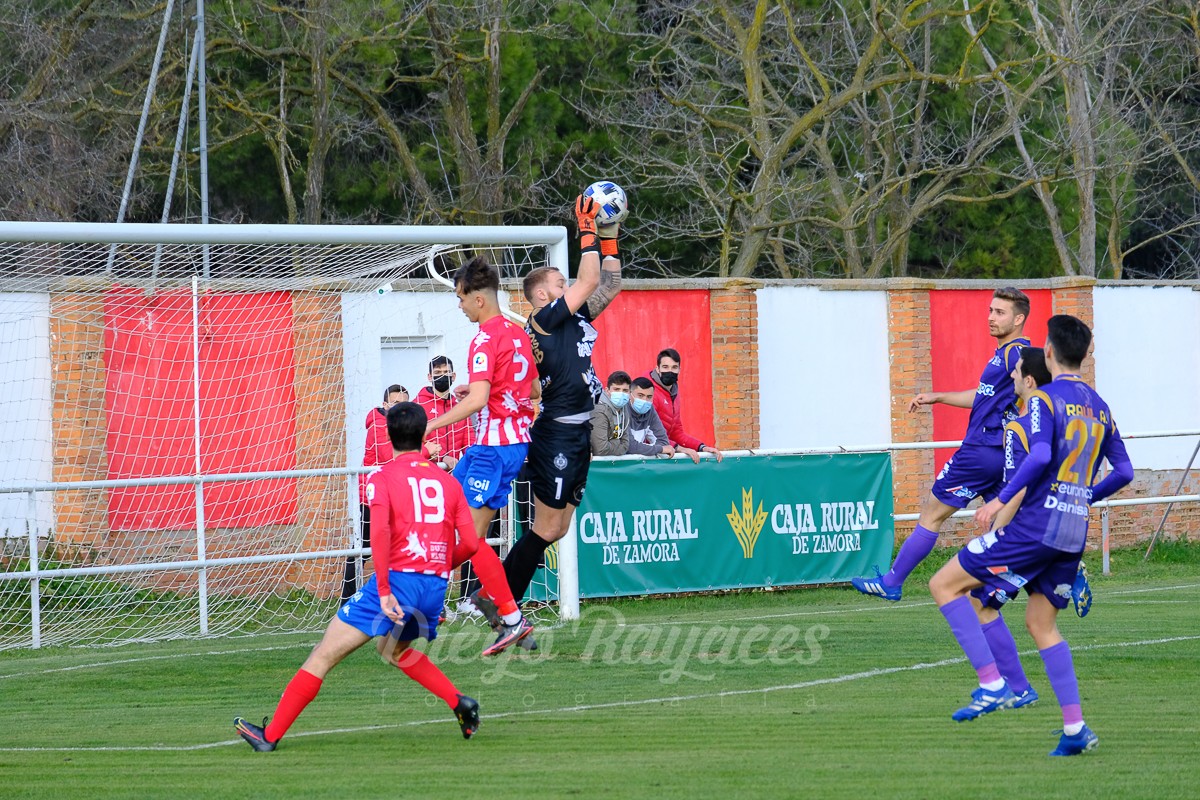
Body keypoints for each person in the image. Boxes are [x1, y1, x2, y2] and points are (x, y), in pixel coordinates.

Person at [927, 315, 1132, 756]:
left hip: (1035, 526)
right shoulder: (1100, 407)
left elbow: (1039, 455)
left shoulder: (1043, 399)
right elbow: (1125, 471)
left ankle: (993, 684)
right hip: (1072, 531)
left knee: (943, 584)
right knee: (1041, 624)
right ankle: (1075, 729)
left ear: (1050, 351)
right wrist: (1083, 496)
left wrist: (999, 500)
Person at [234, 402, 483, 752]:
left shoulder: (382, 477)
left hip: (398, 582)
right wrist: (436, 575)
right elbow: (470, 543)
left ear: (388, 435)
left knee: (323, 654)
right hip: (433, 586)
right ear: (424, 434)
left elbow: (378, 534)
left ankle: (269, 735)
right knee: (393, 650)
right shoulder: (447, 482)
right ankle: (459, 703)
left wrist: (384, 589)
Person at [852, 287, 1031, 601]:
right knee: (1004, 530)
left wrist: (1029, 426)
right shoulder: (1004, 354)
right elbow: (984, 397)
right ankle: (1052, 580)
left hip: (980, 451)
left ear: (1018, 319)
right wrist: (939, 397)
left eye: (1000, 312)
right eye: (990, 310)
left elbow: (1040, 386)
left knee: (931, 515)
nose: (991, 317)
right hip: (998, 454)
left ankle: (892, 582)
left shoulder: (1016, 354)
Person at [496, 194, 622, 614]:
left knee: (559, 528)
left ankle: (498, 597)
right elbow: (589, 280)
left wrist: (610, 236)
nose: (567, 287)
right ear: (540, 294)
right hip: (558, 434)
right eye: (559, 283)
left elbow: (609, 285)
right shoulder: (544, 319)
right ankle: (498, 598)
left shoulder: (575, 316)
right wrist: (586, 229)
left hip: (579, 433)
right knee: (547, 527)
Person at [423, 257, 536, 655]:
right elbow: (533, 390)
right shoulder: (518, 334)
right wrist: (477, 388)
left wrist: (430, 425)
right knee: (443, 513)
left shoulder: (484, 339)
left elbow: (479, 402)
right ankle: (432, 597)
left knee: (471, 539)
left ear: (479, 299)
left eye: (460, 297)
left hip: (494, 448)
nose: (459, 306)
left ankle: (511, 619)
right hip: (502, 445)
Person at [963, 346, 1053, 711]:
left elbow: (1017, 490)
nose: (1011, 376)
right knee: (1033, 616)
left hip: (1024, 535)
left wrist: (993, 534)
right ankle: (1062, 573)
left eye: (1015, 371)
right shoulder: (1054, 420)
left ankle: (1017, 688)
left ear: (1028, 380)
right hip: (1055, 529)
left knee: (979, 601)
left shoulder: (1018, 427)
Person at [343, 384, 408, 602]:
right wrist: (426, 450)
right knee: (364, 548)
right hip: (373, 497)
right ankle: (347, 599)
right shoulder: (378, 424)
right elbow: (389, 455)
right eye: (396, 403)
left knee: (399, 547)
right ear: (385, 405)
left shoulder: (401, 426)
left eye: (405, 403)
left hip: (395, 496)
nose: (400, 408)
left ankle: (396, 596)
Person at [645, 348, 723, 463]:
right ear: (657, 368)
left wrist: (701, 447)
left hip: (665, 453)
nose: (670, 371)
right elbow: (648, 433)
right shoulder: (648, 393)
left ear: (679, 370)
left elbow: (676, 432)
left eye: (674, 367)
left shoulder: (674, 392)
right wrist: (679, 448)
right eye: (665, 367)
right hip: (647, 457)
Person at [416, 356, 470, 471]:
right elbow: (412, 442)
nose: (442, 376)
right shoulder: (418, 405)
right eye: (437, 372)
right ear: (430, 377)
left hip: (453, 473)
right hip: (425, 471)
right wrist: (442, 457)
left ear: (453, 376)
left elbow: (469, 442)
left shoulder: (460, 408)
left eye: (446, 372)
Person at [627, 376, 677, 459]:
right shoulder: (622, 409)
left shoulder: (650, 410)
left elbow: (663, 441)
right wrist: (658, 449)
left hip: (637, 462)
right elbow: (630, 446)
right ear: (629, 394)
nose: (645, 400)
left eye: (649, 397)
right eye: (640, 395)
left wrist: (653, 450)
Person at [590, 370, 633, 456]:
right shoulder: (599, 409)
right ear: (607, 390)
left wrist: (611, 443)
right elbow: (600, 450)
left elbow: (626, 445)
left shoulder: (623, 406)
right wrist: (618, 442)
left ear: (629, 392)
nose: (621, 393)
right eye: (616, 389)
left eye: (625, 390)